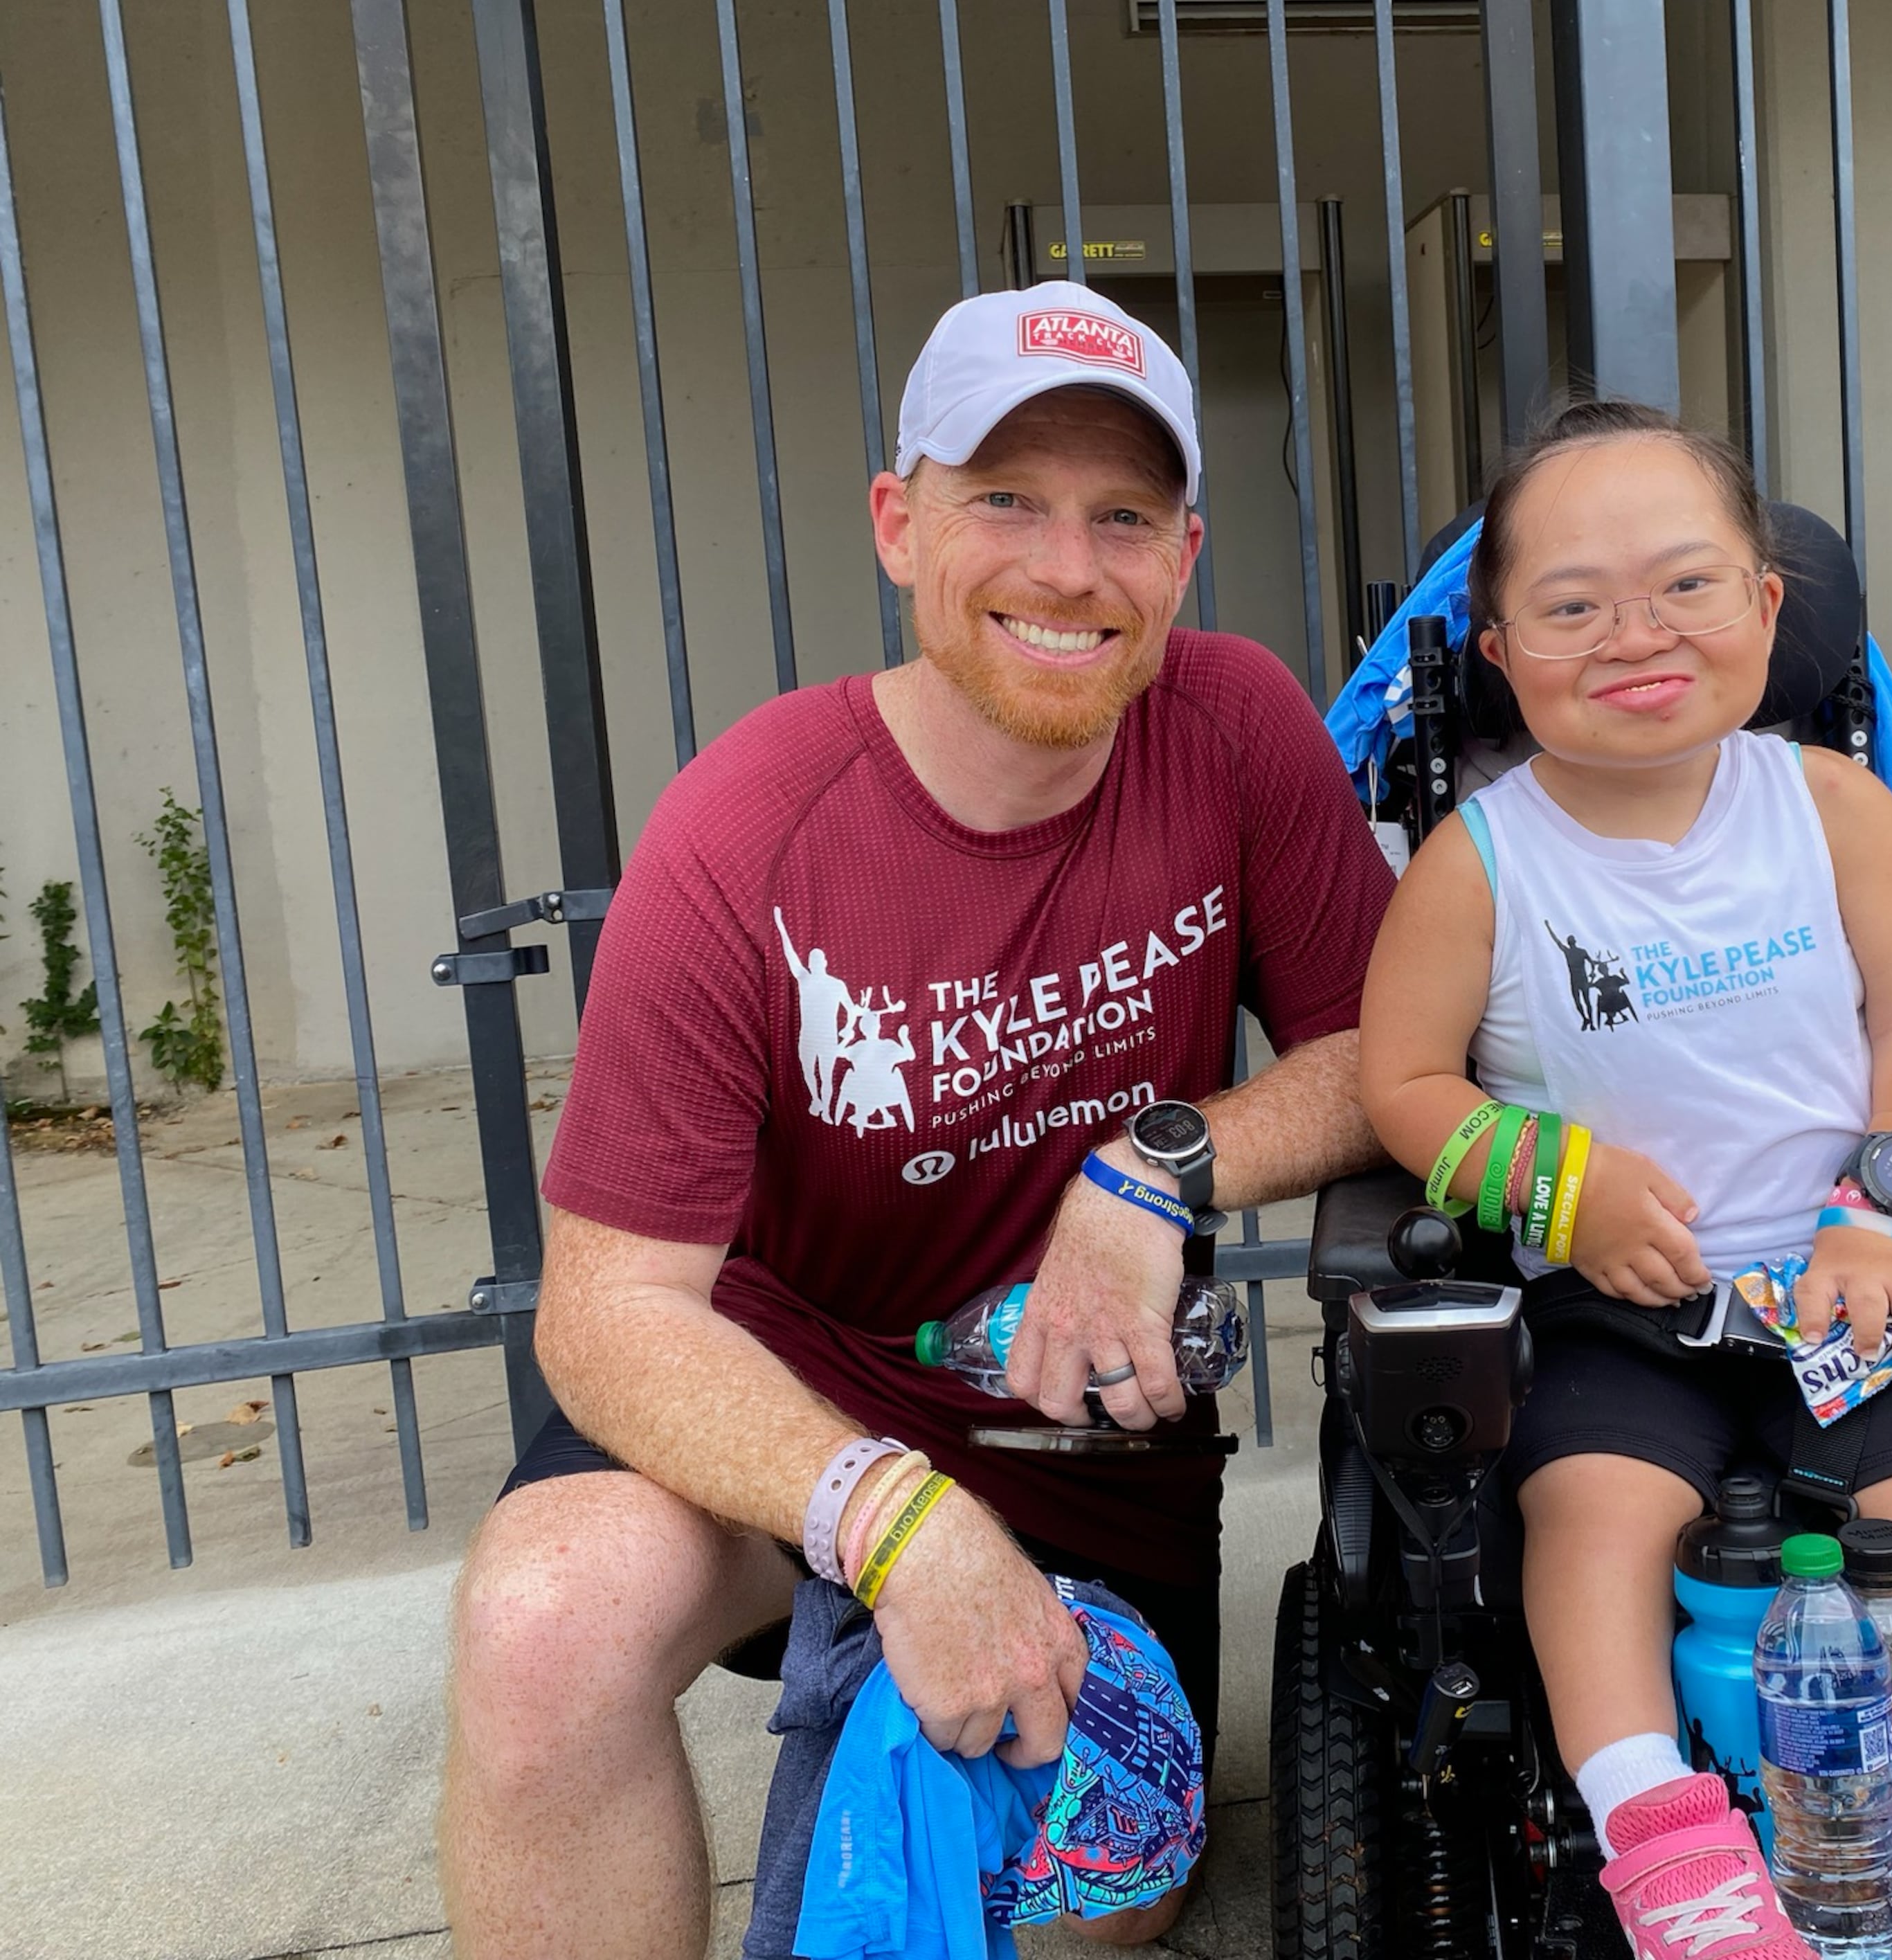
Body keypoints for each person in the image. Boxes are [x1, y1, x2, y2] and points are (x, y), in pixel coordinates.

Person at [438, 282, 1396, 1960]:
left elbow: (1378, 1054)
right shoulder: (748, 827)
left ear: (1182, 554)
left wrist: (1153, 1165)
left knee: (1110, 1902)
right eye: (1003, 500)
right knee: (542, 1628)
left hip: (1084, 1453)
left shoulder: (1237, 729)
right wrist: (891, 1521)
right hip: (786, 1411)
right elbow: (606, 1313)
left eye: (1122, 515)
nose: (1066, 567)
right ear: (899, 525)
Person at [1358, 399, 1892, 1960]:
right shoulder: (1477, 864)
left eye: (1687, 584)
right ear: (1497, 646)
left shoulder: (1832, 810)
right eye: (1572, 604)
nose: (1637, 631)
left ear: (1766, 608)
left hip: (1850, 1274)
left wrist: (1886, 1210)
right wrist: (1555, 1184)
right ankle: (1661, 1837)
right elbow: (1404, 1087)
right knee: (1591, 1516)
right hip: (1615, 1304)